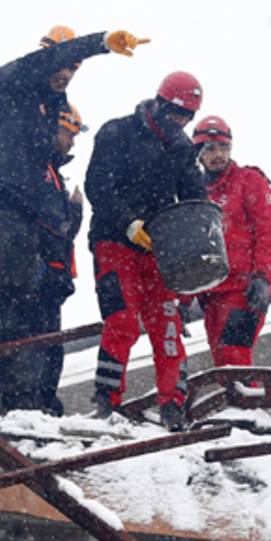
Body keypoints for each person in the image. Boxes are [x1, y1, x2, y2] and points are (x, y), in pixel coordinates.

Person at [0, 24, 148, 416]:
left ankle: (17, 396)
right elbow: (46, 62)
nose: (67, 71)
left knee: (19, 302)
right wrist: (98, 44)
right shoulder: (10, 81)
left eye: (75, 67)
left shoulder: (51, 109)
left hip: (25, 210)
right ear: (45, 55)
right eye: (63, 61)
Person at [84, 71, 208, 431]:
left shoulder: (183, 148)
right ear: (159, 104)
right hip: (113, 240)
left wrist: (198, 232)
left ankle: (173, 405)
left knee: (167, 325)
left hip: (159, 247)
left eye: (187, 118)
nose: (180, 124)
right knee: (122, 321)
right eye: (176, 115)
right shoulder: (116, 132)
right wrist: (128, 222)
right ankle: (107, 401)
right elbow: (98, 186)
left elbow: (193, 193)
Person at [189, 115, 271, 367]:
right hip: (211, 293)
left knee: (234, 356)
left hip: (245, 289)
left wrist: (262, 277)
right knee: (222, 364)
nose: (218, 154)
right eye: (209, 148)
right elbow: (192, 250)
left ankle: (246, 406)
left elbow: (268, 233)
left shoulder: (250, 181)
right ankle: (237, 405)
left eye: (223, 147)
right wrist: (184, 300)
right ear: (198, 153)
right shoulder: (195, 194)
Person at [28, 104, 87, 416]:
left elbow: (63, 235)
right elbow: (47, 228)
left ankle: (45, 400)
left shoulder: (53, 174)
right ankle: (38, 402)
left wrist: (74, 210)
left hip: (54, 278)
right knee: (40, 345)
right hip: (42, 277)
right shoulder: (37, 170)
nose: (72, 143)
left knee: (52, 347)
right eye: (70, 134)